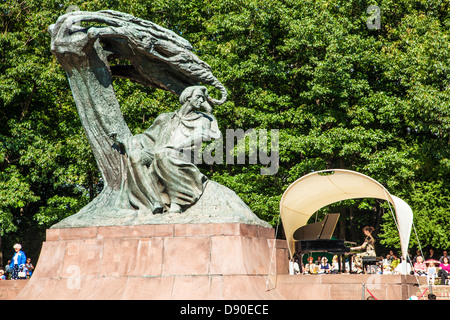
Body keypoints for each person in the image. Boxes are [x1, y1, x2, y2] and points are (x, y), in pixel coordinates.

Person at [110, 85, 220, 214]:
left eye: (203, 98)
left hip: (182, 154)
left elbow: (199, 135)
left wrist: (176, 146)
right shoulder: (165, 118)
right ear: (188, 97)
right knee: (136, 156)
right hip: (158, 150)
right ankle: (154, 201)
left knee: (163, 155)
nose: (201, 101)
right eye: (199, 97)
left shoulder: (202, 120)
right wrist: (122, 142)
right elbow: (147, 137)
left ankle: (177, 202)